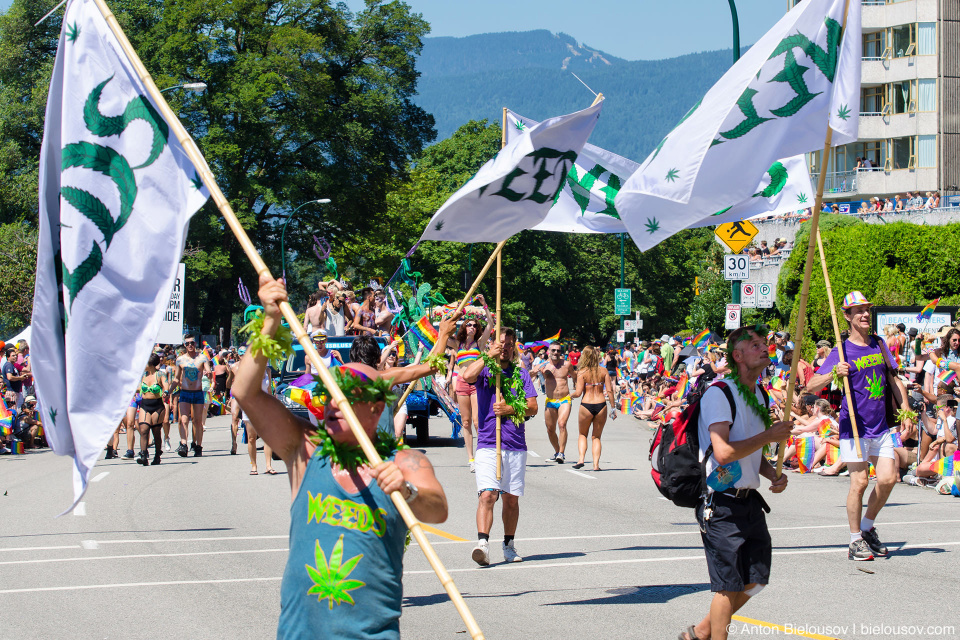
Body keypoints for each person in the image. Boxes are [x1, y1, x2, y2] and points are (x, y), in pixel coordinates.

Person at [232, 275, 447, 638]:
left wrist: (407, 491)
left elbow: (437, 508)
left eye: (346, 396)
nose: (333, 403)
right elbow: (245, 391)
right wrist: (270, 321)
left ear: (376, 407)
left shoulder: (404, 461)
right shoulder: (304, 448)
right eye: (330, 394)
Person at [680, 325, 792, 640]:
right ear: (738, 356)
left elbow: (751, 450)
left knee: (756, 580)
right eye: (754, 344)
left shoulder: (760, 392)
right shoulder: (720, 393)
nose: (763, 347)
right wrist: (770, 435)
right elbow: (725, 452)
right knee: (727, 587)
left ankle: (701, 631)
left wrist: (772, 473)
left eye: (764, 342)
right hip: (720, 500)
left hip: (749, 500)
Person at [806, 291, 913, 561]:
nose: (865, 315)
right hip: (854, 428)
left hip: (880, 427)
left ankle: (866, 527)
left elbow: (894, 380)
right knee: (860, 482)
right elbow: (810, 386)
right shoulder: (840, 350)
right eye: (859, 311)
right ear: (847, 316)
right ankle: (855, 540)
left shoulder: (878, 343)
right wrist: (835, 373)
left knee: (888, 479)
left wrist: (907, 412)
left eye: (867, 310)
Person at [460, 329, 538, 566]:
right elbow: (466, 377)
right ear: (494, 345)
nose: (505, 347)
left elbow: (532, 407)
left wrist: (510, 410)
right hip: (487, 443)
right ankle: (482, 544)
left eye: (509, 344)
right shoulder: (485, 371)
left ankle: (509, 545)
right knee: (488, 495)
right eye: (501, 343)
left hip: (515, 444)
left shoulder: (520, 374)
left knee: (511, 500)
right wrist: (486, 356)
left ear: (513, 347)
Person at [447, 298, 494, 472]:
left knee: (476, 421)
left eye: (474, 325)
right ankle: (471, 458)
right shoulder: (457, 344)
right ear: (464, 327)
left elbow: (491, 323)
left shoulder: (479, 343)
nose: (472, 327)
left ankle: (482, 455)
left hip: (476, 383)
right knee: (465, 422)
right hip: (461, 382)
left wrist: (484, 305)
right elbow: (442, 334)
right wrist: (455, 311)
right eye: (469, 325)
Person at [570, 346, 616, 470]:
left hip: (586, 404)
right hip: (601, 404)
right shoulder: (603, 371)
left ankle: (581, 459)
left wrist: (570, 396)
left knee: (582, 434)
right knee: (596, 437)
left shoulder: (582, 372)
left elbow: (578, 393)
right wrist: (613, 407)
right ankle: (596, 465)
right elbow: (610, 391)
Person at [534, 344, 575, 463]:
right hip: (550, 400)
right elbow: (531, 374)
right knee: (550, 429)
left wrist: (577, 392)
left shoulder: (566, 364)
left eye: (558, 350)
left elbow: (575, 376)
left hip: (564, 399)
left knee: (562, 424)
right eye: (553, 350)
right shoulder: (543, 365)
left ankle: (561, 453)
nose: (556, 352)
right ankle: (557, 452)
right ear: (548, 351)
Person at [174, 334, 211, 457]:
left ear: (195, 344)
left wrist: (209, 374)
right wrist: (168, 391)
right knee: (183, 419)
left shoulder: (202, 358)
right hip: (185, 392)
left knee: (197, 421)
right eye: (187, 343)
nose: (190, 345)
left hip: (197, 393)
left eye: (192, 343)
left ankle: (198, 446)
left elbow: (208, 370)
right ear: (184, 345)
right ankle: (183, 444)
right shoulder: (180, 360)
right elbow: (176, 378)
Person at [136, 354, 169, 466]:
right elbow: (138, 388)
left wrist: (166, 391)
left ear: (150, 364)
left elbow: (166, 385)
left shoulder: (160, 375)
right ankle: (143, 454)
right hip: (145, 406)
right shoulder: (143, 376)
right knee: (144, 430)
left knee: (156, 432)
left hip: (157, 406)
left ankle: (157, 455)